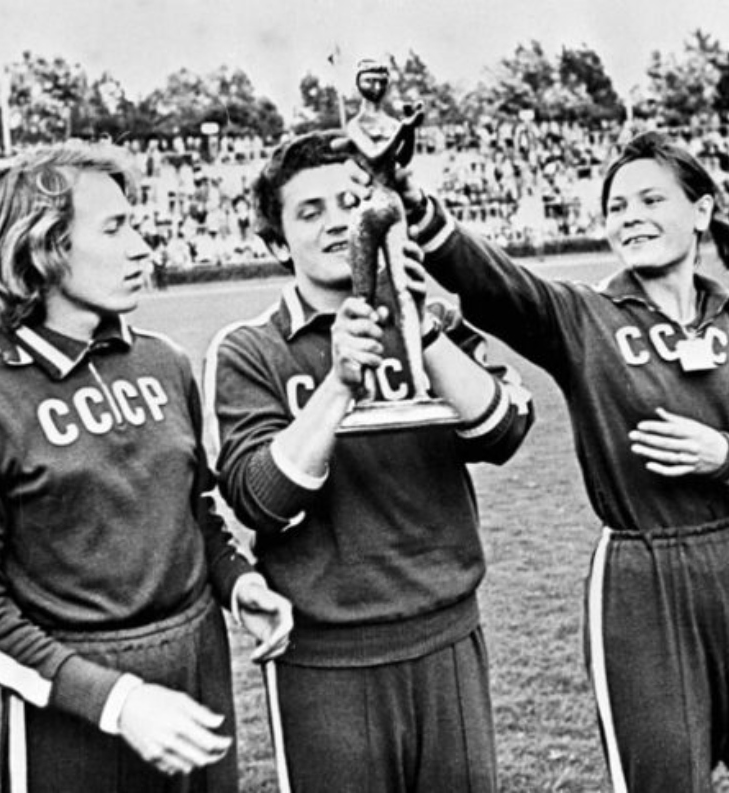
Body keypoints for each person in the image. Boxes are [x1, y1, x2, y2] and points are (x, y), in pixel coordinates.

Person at [401, 130, 729, 792]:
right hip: (640, 571)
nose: (630, 217)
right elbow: (495, 282)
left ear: (702, 211)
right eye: (616, 207)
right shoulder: (585, 318)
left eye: (651, 200)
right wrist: (415, 203)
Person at [0, 142, 292, 793]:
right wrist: (116, 701)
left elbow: (194, 512)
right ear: (41, 245)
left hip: (198, 679)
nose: (143, 248)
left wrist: (239, 585)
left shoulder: (166, 362)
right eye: (115, 228)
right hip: (74, 712)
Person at [204, 130, 534, 793]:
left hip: (448, 633)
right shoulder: (250, 350)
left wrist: (416, 322)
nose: (339, 223)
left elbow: (502, 431)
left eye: (352, 203)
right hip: (328, 657)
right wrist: (337, 384)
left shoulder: (434, 322)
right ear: (277, 243)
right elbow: (262, 500)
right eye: (310, 211)